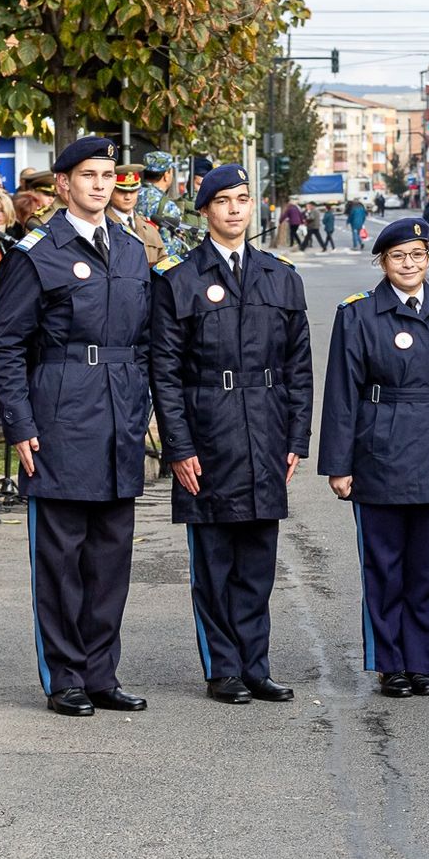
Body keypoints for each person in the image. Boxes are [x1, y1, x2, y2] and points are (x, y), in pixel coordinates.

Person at [0, 135, 152, 716]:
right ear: (63, 184)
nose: (101, 185)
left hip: (119, 416)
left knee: (110, 559)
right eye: (88, 175)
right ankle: (66, 677)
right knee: (61, 559)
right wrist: (19, 423)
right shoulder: (38, 253)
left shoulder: (131, 250)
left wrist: (142, 405)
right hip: (60, 415)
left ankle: (102, 674)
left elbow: (145, 340)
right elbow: (7, 344)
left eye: (108, 175)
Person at [149, 163, 313, 704]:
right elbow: (165, 373)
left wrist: (296, 439)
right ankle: (223, 668)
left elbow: (299, 366)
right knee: (215, 562)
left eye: (242, 199)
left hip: (265, 431)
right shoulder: (179, 279)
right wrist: (178, 447)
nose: (235, 209)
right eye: (223, 201)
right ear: (205, 211)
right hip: (209, 431)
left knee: (258, 563)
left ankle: (255, 666)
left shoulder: (280, 275)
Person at [320, 217, 429, 697]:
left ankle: (421, 661)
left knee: (428, 569)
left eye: (417, 255)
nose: (409, 264)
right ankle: (389, 662)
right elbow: (341, 394)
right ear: (382, 262)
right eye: (398, 256)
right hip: (379, 449)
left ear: (428, 258)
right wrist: (339, 465)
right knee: (384, 567)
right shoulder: (357, 315)